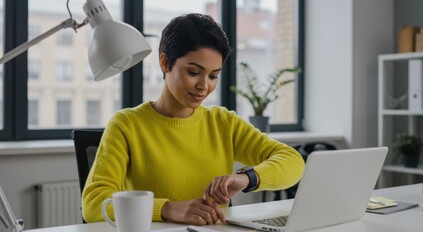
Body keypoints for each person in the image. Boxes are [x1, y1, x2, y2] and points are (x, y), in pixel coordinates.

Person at [82, 13, 305, 226]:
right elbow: (93, 204)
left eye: (213, 75)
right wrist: (167, 209)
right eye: (194, 72)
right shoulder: (127, 125)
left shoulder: (223, 123)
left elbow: (293, 162)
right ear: (164, 63)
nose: (204, 86)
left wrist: (247, 178)